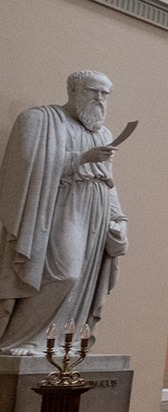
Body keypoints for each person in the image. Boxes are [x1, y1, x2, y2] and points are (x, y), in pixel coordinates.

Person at [0, 71, 128, 353]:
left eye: (105, 94)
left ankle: (58, 343)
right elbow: (25, 169)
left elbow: (107, 179)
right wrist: (81, 158)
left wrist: (118, 219)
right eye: (93, 91)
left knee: (81, 280)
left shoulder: (103, 133)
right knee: (64, 273)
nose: (100, 99)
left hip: (96, 208)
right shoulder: (39, 120)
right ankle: (20, 339)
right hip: (57, 207)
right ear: (74, 90)